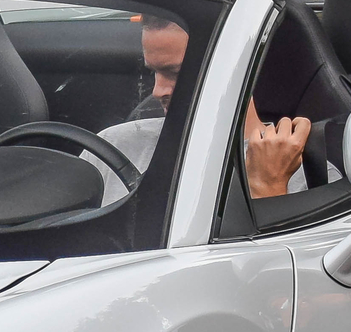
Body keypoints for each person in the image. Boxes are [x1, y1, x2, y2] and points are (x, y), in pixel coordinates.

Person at [89, 17, 312, 205]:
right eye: (154, 72)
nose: (157, 91)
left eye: (176, 73)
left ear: (242, 67)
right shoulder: (113, 146)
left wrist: (268, 187)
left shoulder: (300, 169)